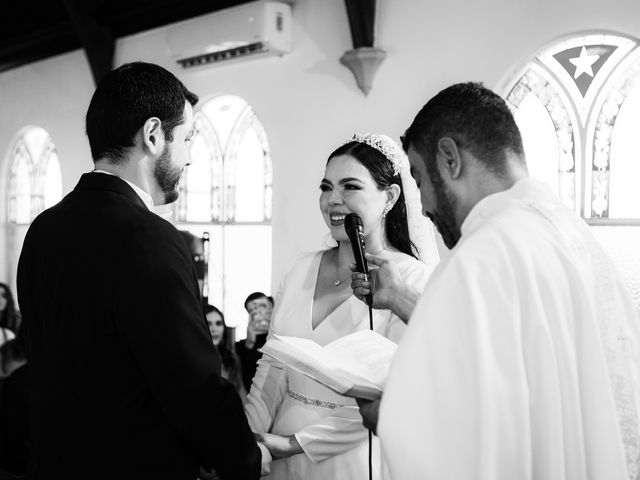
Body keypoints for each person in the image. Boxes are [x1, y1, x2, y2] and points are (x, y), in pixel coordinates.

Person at [352, 82, 640, 479]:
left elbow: (462, 437)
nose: (426, 207)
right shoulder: (577, 239)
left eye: (419, 179)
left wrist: (390, 416)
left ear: (449, 159)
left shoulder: (480, 258)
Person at [17, 62, 268, 480]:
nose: (188, 158)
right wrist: (244, 458)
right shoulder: (149, 236)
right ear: (153, 136)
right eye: (186, 139)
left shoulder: (45, 227)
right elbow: (191, 383)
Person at [244, 133, 439, 479]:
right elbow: (271, 368)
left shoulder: (409, 282)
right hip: (275, 453)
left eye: (350, 187)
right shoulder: (301, 267)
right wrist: (247, 441)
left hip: (349, 455)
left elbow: (394, 395)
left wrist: (295, 443)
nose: (333, 201)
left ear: (390, 197)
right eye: (325, 187)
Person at [204, 304, 247, 401]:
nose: (214, 329)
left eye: (218, 323)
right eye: (208, 324)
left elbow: (241, 393)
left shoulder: (232, 357)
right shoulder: (192, 359)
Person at [236, 292, 274, 391]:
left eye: (262, 306)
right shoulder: (242, 346)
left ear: (272, 307)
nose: (259, 313)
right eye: (252, 310)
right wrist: (250, 344)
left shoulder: (284, 338)